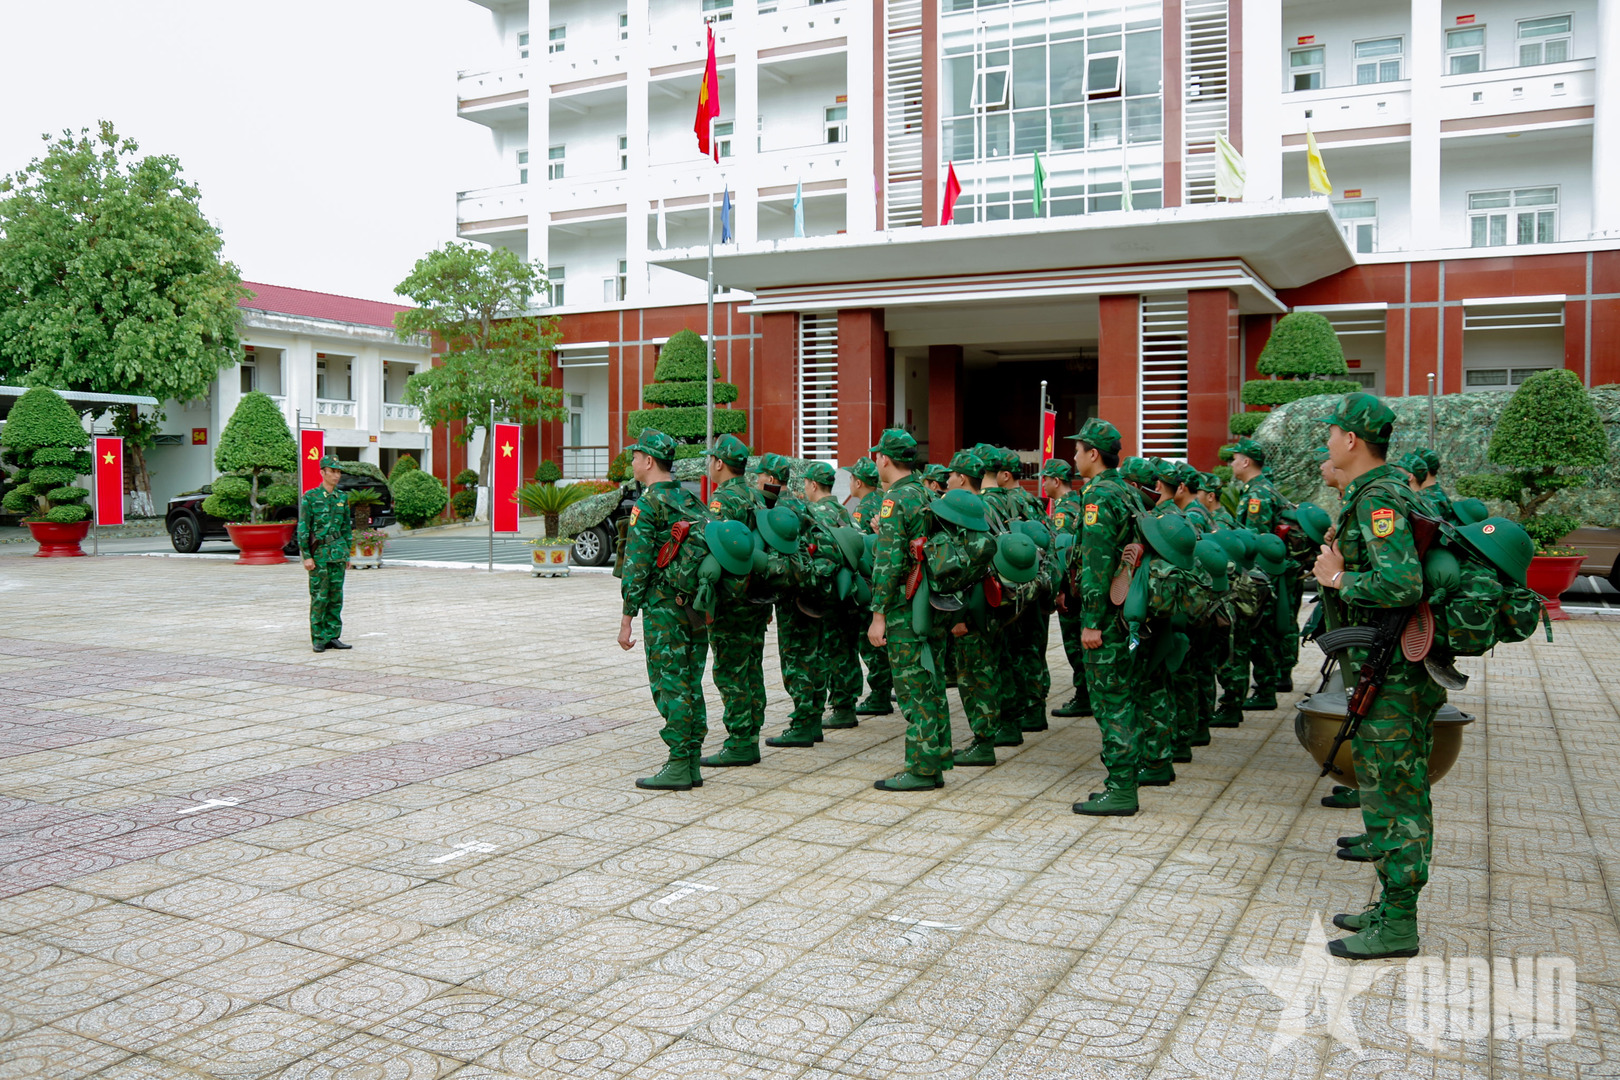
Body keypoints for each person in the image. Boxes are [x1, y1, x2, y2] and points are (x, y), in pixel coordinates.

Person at [1311, 392, 1445, 960]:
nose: (1326, 442)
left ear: (1351, 440)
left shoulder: (1378, 499)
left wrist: (1338, 580)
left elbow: (1401, 585)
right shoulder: (1374, 493)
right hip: (1383, 667)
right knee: (1391, 788)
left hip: (1390, 674)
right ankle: (1391, 909)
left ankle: (1399, 925)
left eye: (1331, 432)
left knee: (1395, 793)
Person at [618, 429, 712, 791]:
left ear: (649, 461)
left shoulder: (648, 505)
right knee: (690, 681)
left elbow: (636, 566)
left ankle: (677, 763)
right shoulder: (692, 501)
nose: (633, 462)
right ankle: (690, 762)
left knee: (669, 682)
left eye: (636, 456)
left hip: (664, 611)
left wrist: (627, 620)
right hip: (695, 608)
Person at [868, 429, 952, 790]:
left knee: (913, 686)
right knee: (931, 681)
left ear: (885, 459)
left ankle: (920, 768)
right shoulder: (927, 493)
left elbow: (887, 564)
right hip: (931, 603)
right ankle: (935, 758)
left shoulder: (894, 500)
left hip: (905, 606)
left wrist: (878, 615)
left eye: (877, 456)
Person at [1070, 418, 1144, 817]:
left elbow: (1098, 565)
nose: (1074, 456)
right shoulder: (1128, 491)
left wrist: (1092, 622)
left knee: (1112, 702)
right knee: (1125, 698)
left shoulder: (1098, 496)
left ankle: (1121, 789)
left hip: (1109, 619)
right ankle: (1125, 782)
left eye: (1078, 450)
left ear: (1093, 454)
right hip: (1127, 614)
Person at [700, 435, 770, 768]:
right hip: (758, 596)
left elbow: (714, 551)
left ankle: (741, 740)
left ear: (719, 463)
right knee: (751, 666)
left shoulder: (722, 501)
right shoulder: (756, 497)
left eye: (710, 459)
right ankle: (751, 734)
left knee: (730, 671)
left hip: (733, 600)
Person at [1230, 437, 1292, 706]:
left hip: (1261, 574)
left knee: (1261, 634)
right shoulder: (1258, 488)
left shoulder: (1257, 493)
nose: (1232, 464)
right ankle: (1267, 686)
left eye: (1235, 458)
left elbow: (1255, 539)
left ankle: (1266, 691)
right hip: (1265, 573)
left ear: (1246, 462)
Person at [802, 461, 862, 730]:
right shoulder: (843, 511)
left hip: (826, 594)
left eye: (805, 483)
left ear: (813, 485)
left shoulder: (814, 513)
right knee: (846, 649)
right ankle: (846, 704)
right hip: (847, 589)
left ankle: (841, 708)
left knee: (829, 652)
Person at [1045, 459, 1091, 719]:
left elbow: (1063, 553)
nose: (1044, 484)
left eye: (1046, 479)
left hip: (1071, 590)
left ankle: (1083, 696)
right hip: (1078, 585)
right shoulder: (1078, 502)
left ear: (1057, 481)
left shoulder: (1064, 510)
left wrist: (1061, 589)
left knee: (1074, 644)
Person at [847, 457, 893, 715]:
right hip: (882, 580)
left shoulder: (862, 510)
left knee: (870, 643)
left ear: (859, 482)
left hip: (868, 581)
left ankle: (880, 694)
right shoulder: (882, 501)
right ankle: (883, 691)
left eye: (851, 478)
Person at [299, 456, 353, 653]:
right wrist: (306, 555)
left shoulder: (342, 498)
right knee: (320, 597)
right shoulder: (311, 497)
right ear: (322, 472)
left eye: (338, 472)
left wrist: (347, 553)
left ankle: (333, 635)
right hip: (319, 554)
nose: (336, 475)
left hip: (338, 554)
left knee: (336, 597)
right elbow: (303, 527)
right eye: (333, 471)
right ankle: (319, 637)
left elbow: (346, 527)